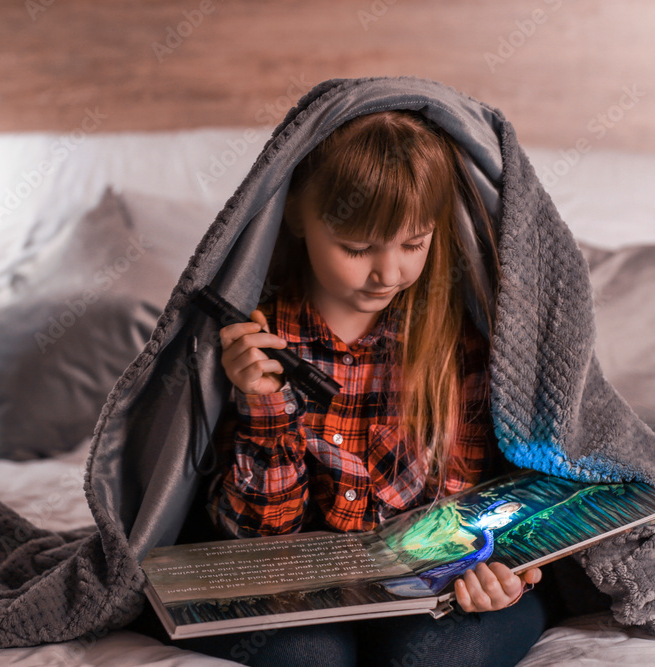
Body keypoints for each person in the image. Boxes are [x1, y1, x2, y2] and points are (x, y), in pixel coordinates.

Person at [171, 110, 566, 666]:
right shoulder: (256, 342)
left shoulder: (462, 340)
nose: (388, 273)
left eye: (415, 243)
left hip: (438, 584)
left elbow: (480, 506)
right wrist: (264, 404)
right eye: (358, 248)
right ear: (296, 215)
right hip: (294, 585)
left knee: (436, 658)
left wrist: (498, 570)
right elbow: (258, 543)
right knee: (309, 657)